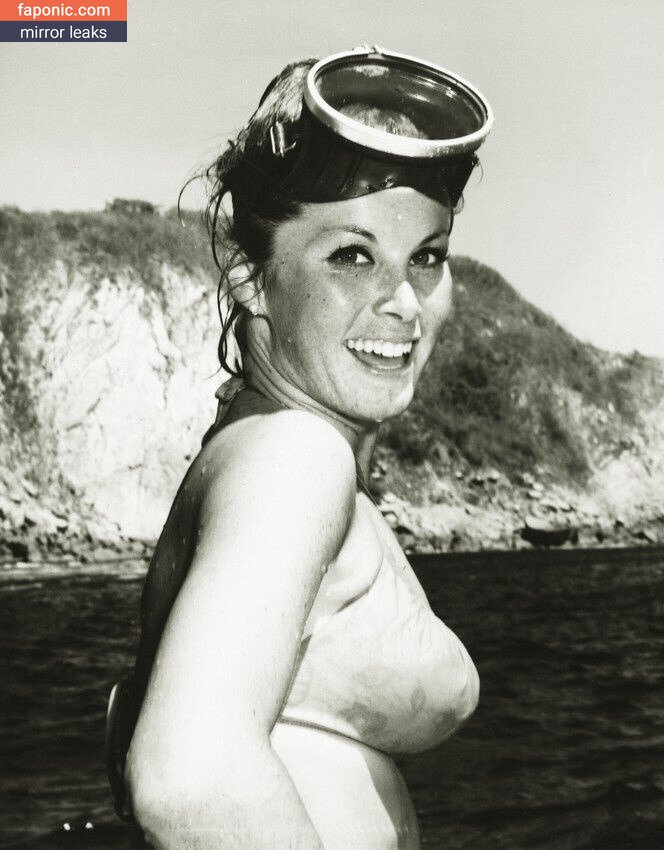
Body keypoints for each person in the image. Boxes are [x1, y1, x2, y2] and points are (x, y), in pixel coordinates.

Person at [111, 46, 493, 849]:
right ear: (250, 275)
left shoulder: (259, 448)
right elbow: (189, 778)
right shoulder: (294, 460)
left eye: (426, 256)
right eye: (353, 255)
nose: (403, 301)